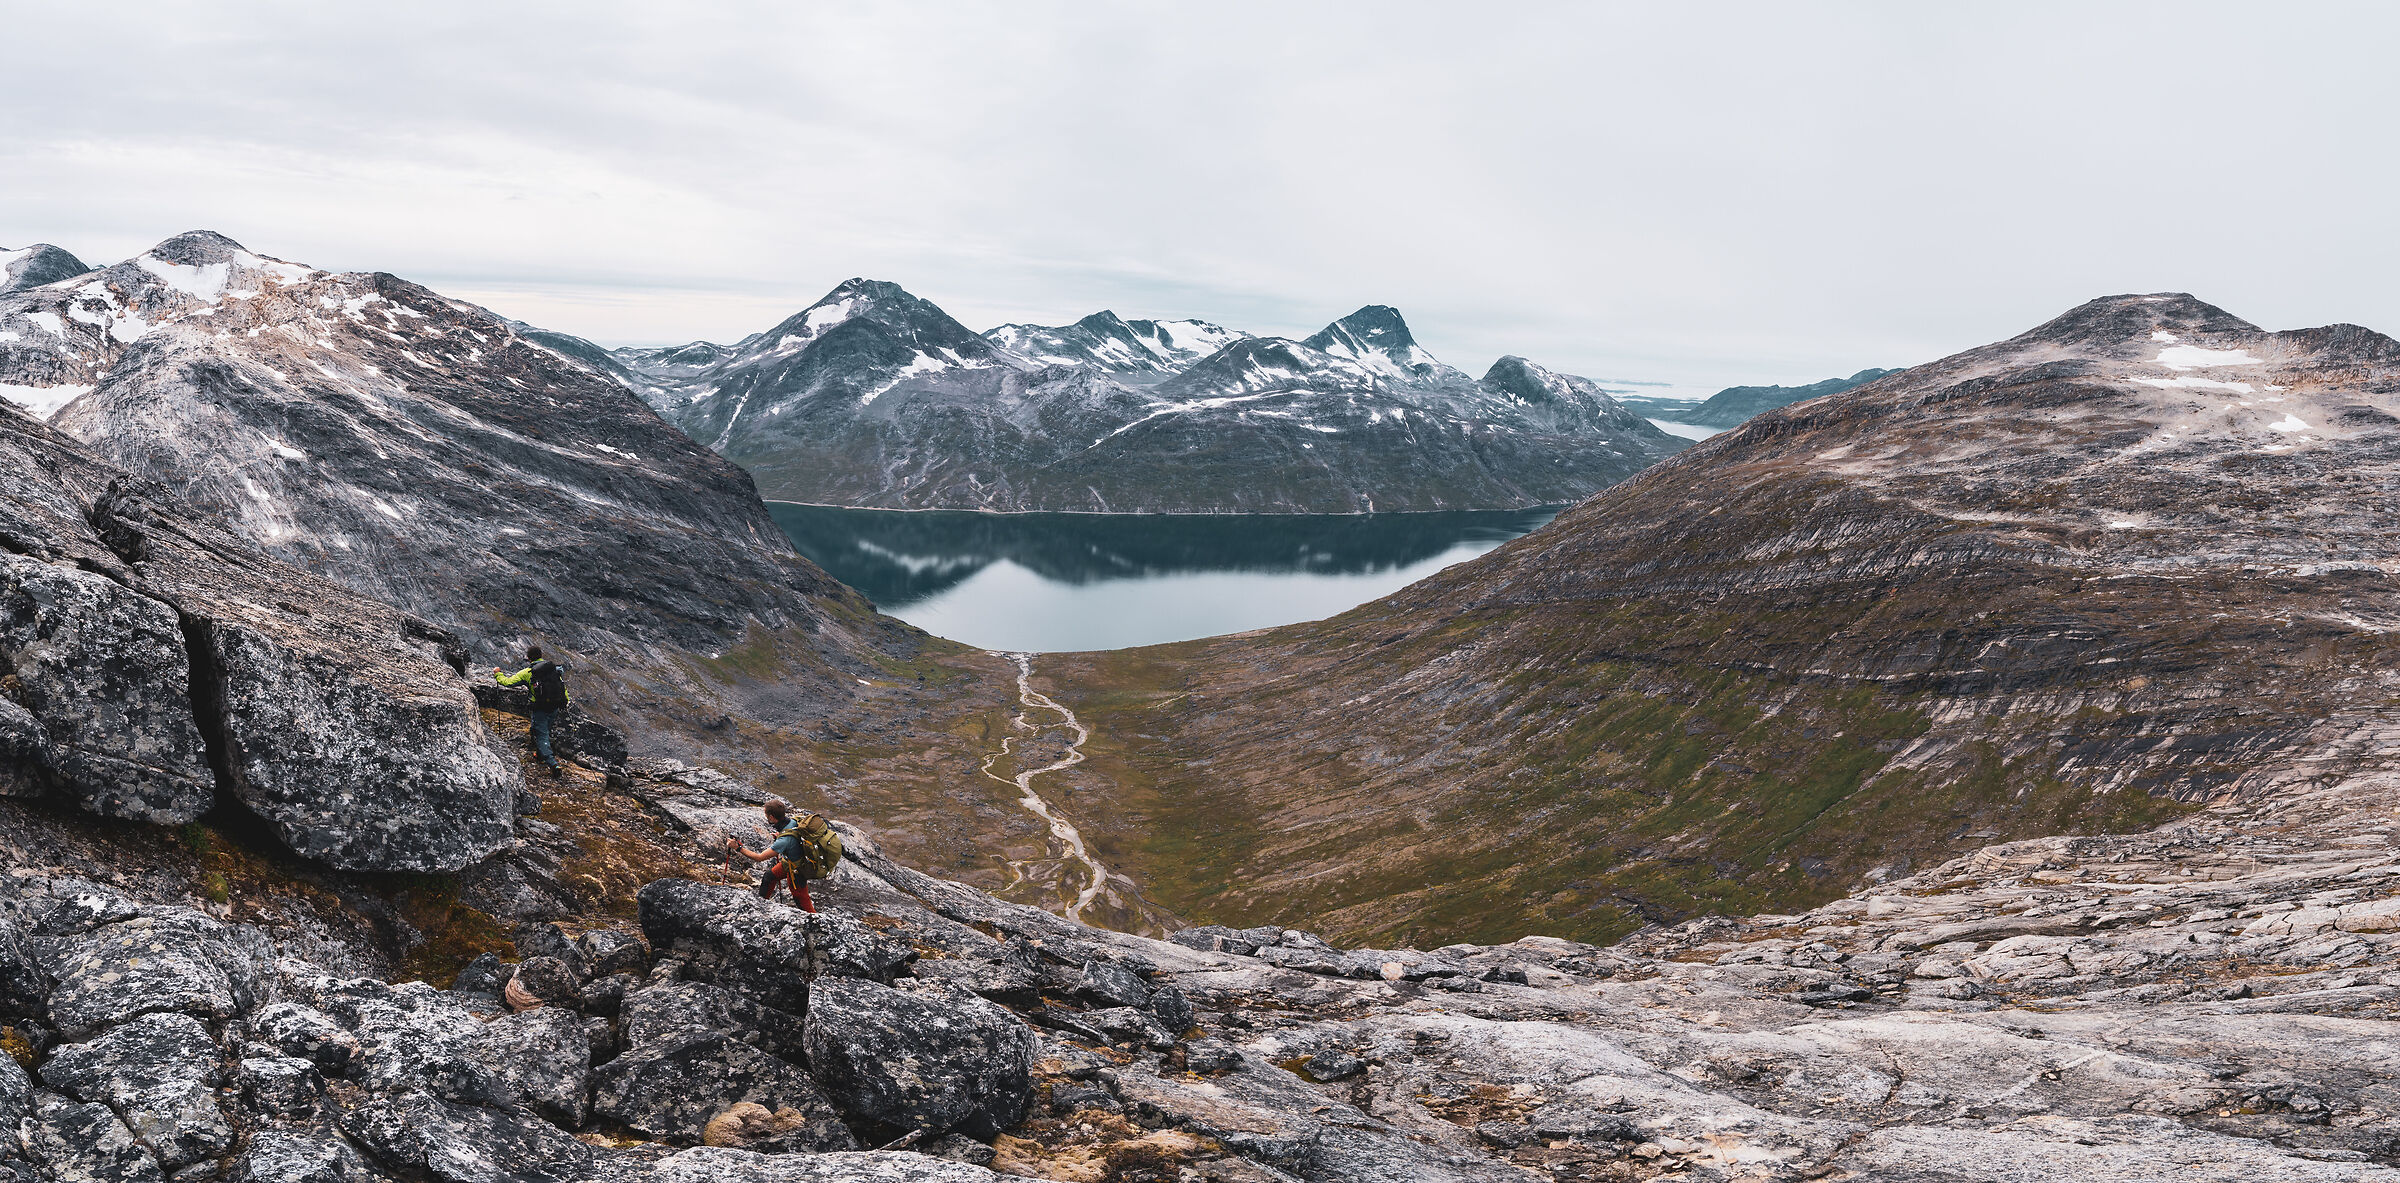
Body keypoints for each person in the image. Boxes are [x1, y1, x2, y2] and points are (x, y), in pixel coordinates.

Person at [724, 799, 842, 913]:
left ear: (771, 817)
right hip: (789, 863)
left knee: (801, 899)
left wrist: (737, 848)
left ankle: (816, 922)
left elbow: (759, 858)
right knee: (769, 877)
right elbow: (793, 836)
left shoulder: (784, 841)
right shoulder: (793, 822)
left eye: (766, 815)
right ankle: (760, 906)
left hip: (797, 870)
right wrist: (780, 835)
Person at [492, 645, 569, 776]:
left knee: (541, 734)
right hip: (555, 706)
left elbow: (508, 682)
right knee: (544, 730)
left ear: (528, 658)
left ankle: (553, 764)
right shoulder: (553, 669)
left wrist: (497, 673)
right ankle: (540, 754)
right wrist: (564, 701)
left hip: (540, 708)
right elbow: (561, 686)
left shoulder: (528, 673)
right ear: (541, 655)